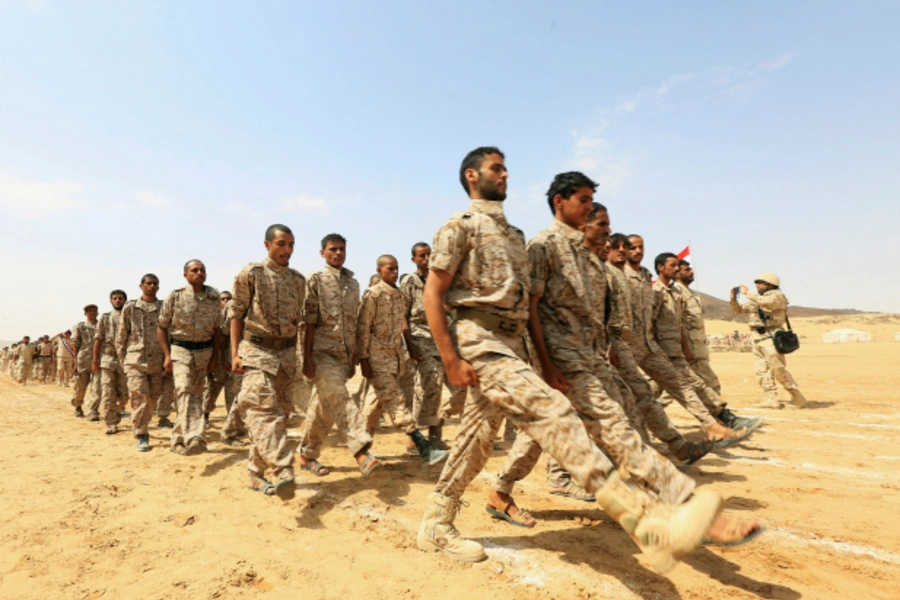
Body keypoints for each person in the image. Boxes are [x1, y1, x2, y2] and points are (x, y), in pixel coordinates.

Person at [416, 147, 759, 573]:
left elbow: (527, 306)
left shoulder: (514, 235)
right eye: (495, 168)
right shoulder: (459, 227)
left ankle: (436, 520)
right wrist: (450, 356)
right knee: (555, 413)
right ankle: (642, 518)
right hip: (479, 340)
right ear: (471, 176)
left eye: (506, 168)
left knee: (477, 438)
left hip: (515, 346)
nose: (504, 175)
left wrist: (537, 359)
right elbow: (435, 292)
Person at [623, 237, 746, 445]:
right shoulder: (647, 287)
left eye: (640, 246)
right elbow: (647, 320)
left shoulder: (651, 281)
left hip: (661, 349)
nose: (637, 250)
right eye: (631, 247)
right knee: (642, 392)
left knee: (680, 387)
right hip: (639, 348)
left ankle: (713, 426)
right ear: (661, 268)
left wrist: (683, 347)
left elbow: (676, 324)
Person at [230, 224, 307, 496]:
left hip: (286, 356)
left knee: (281, 415)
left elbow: (300, 321)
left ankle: (255, 472)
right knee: (265, 413)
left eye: (291, 245)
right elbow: (236, 314)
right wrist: (235, 353)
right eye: (282, 244)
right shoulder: (251, 274)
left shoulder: (299, 281)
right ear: (267, 245)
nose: (287, 250)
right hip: (257, 352)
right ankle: (283, 469)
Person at [297, 234, 379, 479]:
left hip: (342, 356)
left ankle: (306, 454)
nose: (338, 254)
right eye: (333, 249)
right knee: (340, 398)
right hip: (320, 354)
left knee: (324, 406)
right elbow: (307, 322)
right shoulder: (316, 280)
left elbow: (353, 322)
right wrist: (306, 360)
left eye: (342, 249)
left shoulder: (352, 284)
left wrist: (353, 355)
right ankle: (361, 451)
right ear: (322, 252)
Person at [652, 254, 759, 439]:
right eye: (680, 268)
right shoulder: (662, 292)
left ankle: (720, 425)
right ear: (662, 268)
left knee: (686, 387)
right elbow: (658, 322)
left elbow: (678, 324)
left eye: (683, 267)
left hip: (688, 349)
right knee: (693, 387)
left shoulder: (683, 294)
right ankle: (722, 425)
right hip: (677, 351)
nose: (686, 270)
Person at [358, 254, 448, 465]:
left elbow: (401, 326)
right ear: (379, 271)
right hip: (377, 357)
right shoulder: (372, 295)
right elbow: (363, 328)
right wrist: (363, 359)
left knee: (372, 407)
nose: (395, 273)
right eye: (390, 269)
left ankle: (361, 449)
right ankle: (421, 444)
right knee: (396, 400)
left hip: (396, 358)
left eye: (397, 268)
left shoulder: (399, 296)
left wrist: (407, 351)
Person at [158, 260, 221, 455]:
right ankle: (195, 436)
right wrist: (167, 355)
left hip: (204, 352)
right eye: (194, 270)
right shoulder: (175, 296)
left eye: (202, 270)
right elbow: (162, 327)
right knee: (184, 389)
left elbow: (218, 330)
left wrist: (214, 357)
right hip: (180, 350)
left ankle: (180, 439)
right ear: (185, 274)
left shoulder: (213, 297)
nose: (199, 273)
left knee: (196, 394)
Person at [730, 272, 807, 409]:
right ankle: (771, 398)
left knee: (777, 369)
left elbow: (767, 304)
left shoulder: (776, 296)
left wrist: (748, 293)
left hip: (771, 337)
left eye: (760, 283)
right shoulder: (757, 298)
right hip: (758, 337)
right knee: (761, 371)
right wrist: (733, 300)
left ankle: (797, 396)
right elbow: (740, 310)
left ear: (769, 284)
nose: (757, 286)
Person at [116, 274, 165, 452]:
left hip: (157, 361)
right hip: (135, 361)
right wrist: (124, 362)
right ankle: (142, 433)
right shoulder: (131, 308)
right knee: (139, 397)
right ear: (141, 286)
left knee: (153, 397)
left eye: (155, 284)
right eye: (148, 283)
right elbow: (121, 336)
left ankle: (141, 422)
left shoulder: (164, 307)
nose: (152, 286)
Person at [93, 290, 128, 432]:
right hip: (108, 358)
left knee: (125, 393)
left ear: (125, 300)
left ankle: (118, 410)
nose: (118, 301)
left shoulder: (131, 317)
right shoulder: (105, 318)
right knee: (108, 392)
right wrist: (95, 360)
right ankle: (111, 422)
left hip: (126, 359)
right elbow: (98, 339)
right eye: (115, 298)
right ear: (111, 301)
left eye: (120, 298)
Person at [71, 305, 100, 417]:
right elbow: (75, 346)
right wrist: (75, 363)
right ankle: (78, 406)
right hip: (83, 360)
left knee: (97, 388)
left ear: (97, 313)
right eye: (89, 311)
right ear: (85, 313)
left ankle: (93, 410)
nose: (92, 313)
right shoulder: (80, 327)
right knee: (80, 387)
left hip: (98, 360)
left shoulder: (102, 325)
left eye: (94, 311)